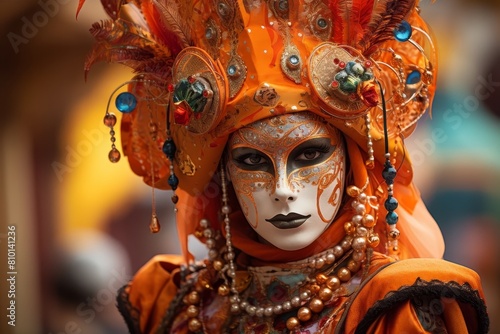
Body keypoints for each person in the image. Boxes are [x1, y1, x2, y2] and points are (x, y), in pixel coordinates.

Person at [78, 0, 489, 332]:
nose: (283, 188)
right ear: (221, 174)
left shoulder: (393, 306)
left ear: (352, 162)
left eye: (309, 155)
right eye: (252, 161)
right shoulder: (171, 305)